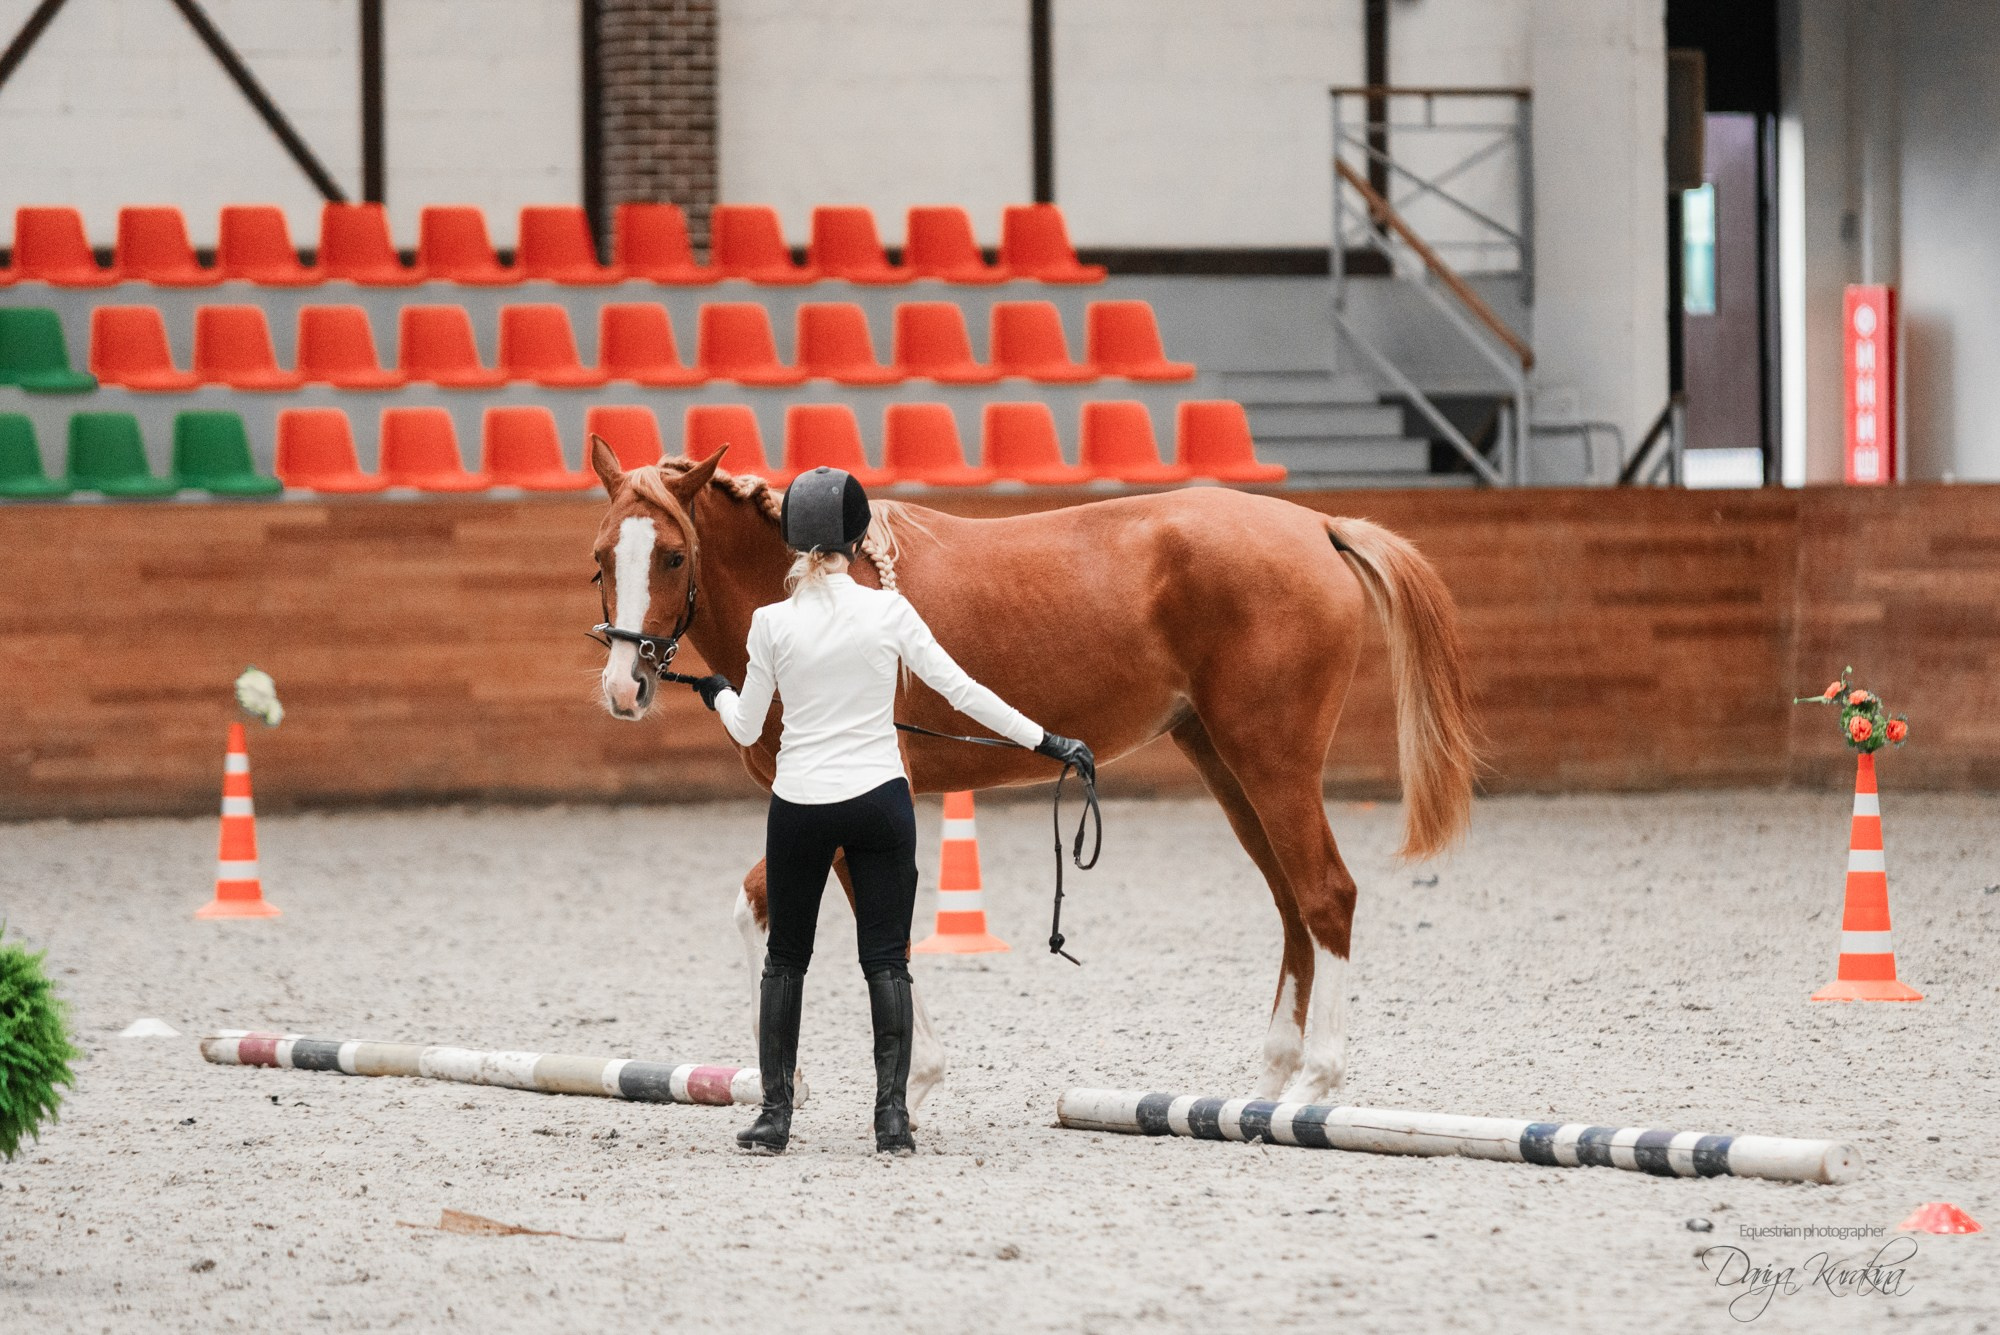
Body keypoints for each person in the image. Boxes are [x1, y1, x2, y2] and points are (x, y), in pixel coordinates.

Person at [684, 467, 1092, 1156]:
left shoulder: (769, 622)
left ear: (791, 541)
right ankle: (892, 1118)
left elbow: (750, 727)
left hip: (803, 806)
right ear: (856, 537)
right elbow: (964, 691)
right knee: (887, 963)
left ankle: (776, 1116)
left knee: (786, 960)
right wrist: (1047, 740)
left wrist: (717, 693)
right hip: (879, 802)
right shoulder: (891, 611)